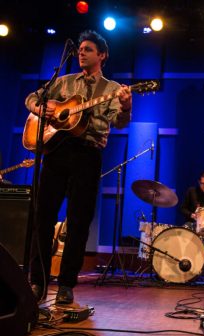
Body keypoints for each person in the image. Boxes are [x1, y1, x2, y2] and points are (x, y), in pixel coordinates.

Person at [25, 30, 132, 303]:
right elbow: (32, 99)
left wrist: (126, 107)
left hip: (87, 155)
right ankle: (37, 281)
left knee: (78, 221)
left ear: (102, 55)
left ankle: (66, 285)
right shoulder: (63, 82)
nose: (81, 53)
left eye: (87, 49)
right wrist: (43, 110)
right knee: (43, 217)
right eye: (80, 49)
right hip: (56, 152)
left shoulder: (110, 89)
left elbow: (119, 123)